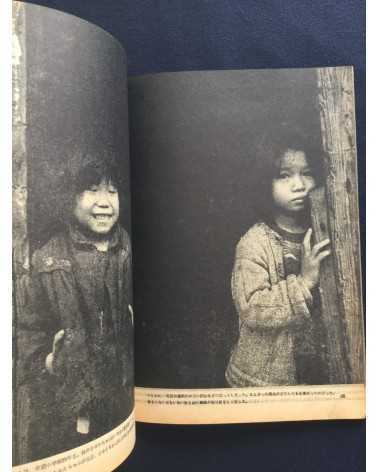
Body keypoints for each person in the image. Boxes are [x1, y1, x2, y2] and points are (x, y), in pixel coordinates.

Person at [16, 159, 133, 460]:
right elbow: (26, 331)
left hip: (120, 396)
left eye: (113, 191)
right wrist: (49, 360)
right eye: (92, 190)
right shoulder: (48, 260)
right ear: (70, 198)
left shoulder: (128, 249)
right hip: (69, 402)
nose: (104, 202)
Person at [225, 127, 330, 387]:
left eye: (306, 173)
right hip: (261, 379)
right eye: (284, 176)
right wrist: (303, 283)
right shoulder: (255, 242)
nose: (299, 185)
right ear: (264, 182)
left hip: (311, 375)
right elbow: (251, 308)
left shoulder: (325, 231)